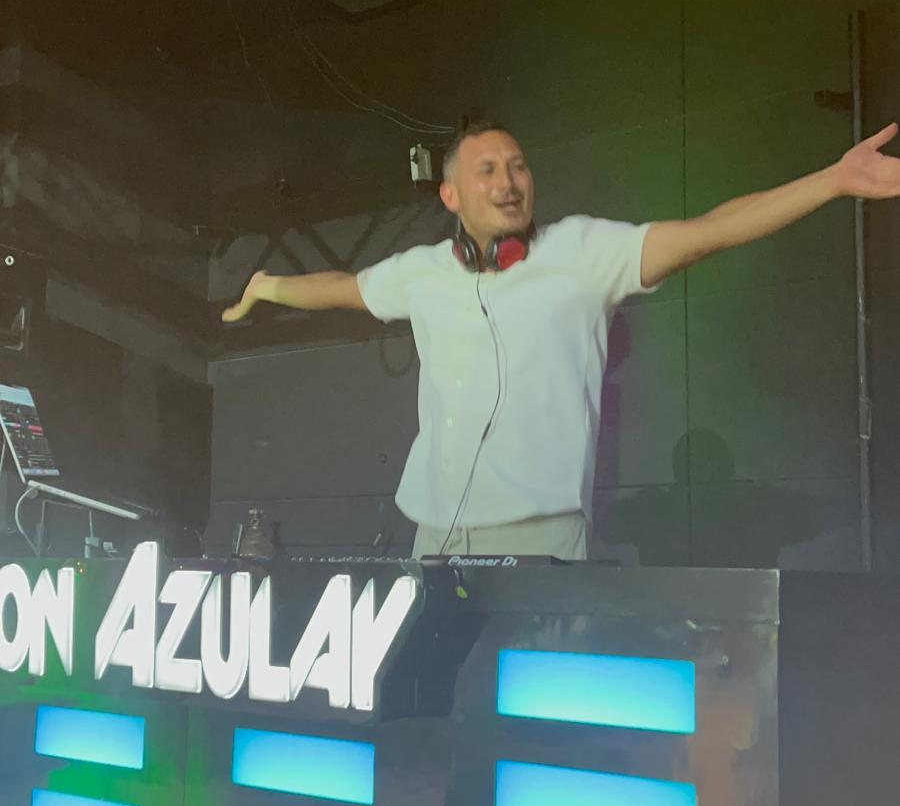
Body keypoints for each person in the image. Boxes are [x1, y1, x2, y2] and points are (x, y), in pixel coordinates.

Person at [222, 118, 900, 560]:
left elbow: (707, 232)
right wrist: (268, 285)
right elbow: (344, 287)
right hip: (433, 538)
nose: (508, 181)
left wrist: (833, 180)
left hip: (541, 539)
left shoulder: (582, 251)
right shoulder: (420, 272)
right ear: (450, 195)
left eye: (517, 167)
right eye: (488, 169)